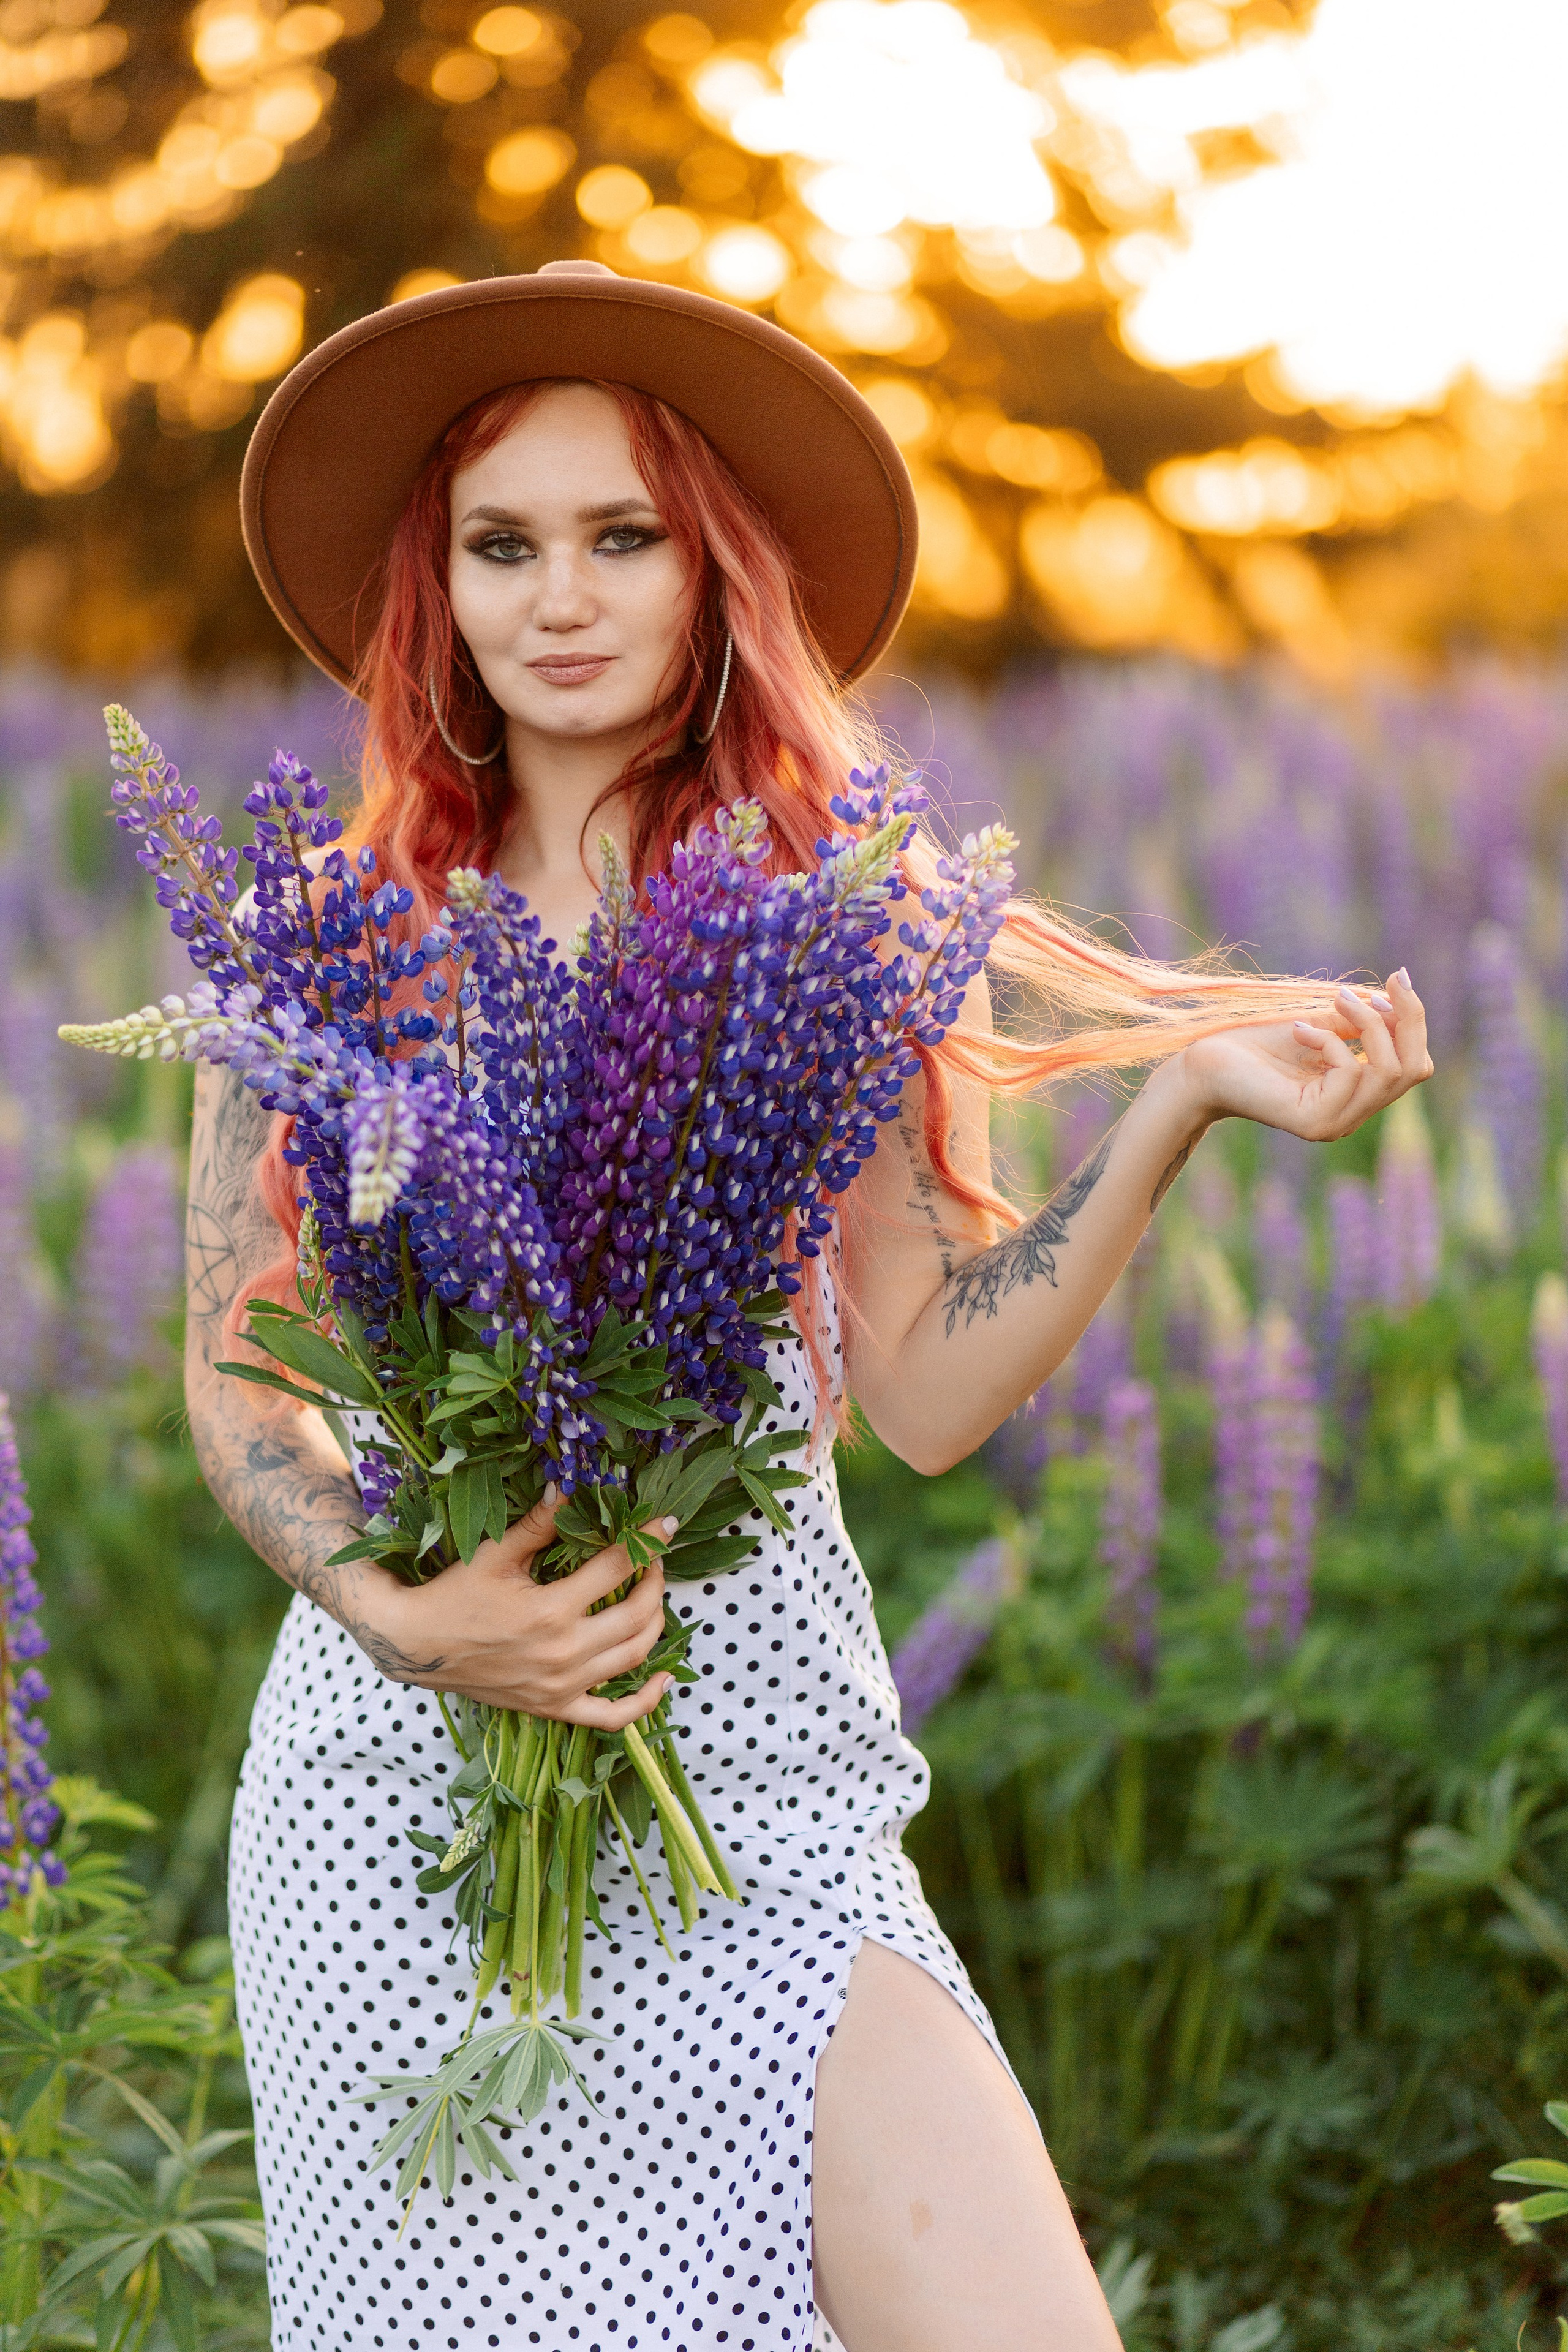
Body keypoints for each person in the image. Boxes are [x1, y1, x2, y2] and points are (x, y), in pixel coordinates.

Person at [190, 261, 1431, 2352]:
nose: (560, 597)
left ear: (710, 573)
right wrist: (417, 1615)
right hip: (402, 1811)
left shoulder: (810, 923)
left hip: (762, 1787)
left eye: (623, 537)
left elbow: (927, 1393)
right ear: (442, 587)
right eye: (503, 544)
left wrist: (1170, 1116)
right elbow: (240, 1378)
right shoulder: (322, 937)